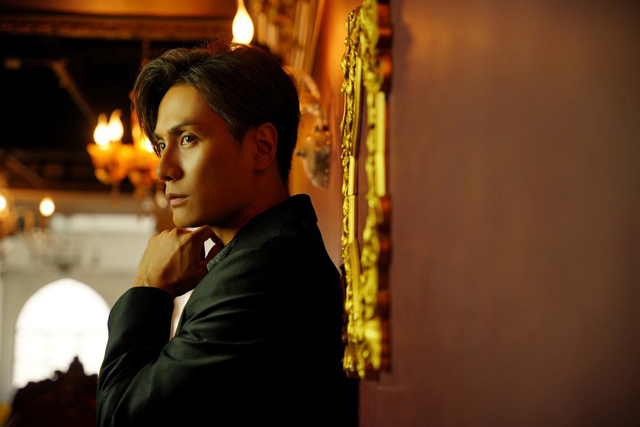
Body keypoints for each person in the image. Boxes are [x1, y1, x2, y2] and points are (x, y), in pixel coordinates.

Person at [96, 41, 357, 426]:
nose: (163, 169)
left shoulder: (261, 271)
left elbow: (121, 418)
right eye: (161, 144)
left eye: (187, 139)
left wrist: (148, 287)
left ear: (262, 148)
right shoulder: (263, 253)